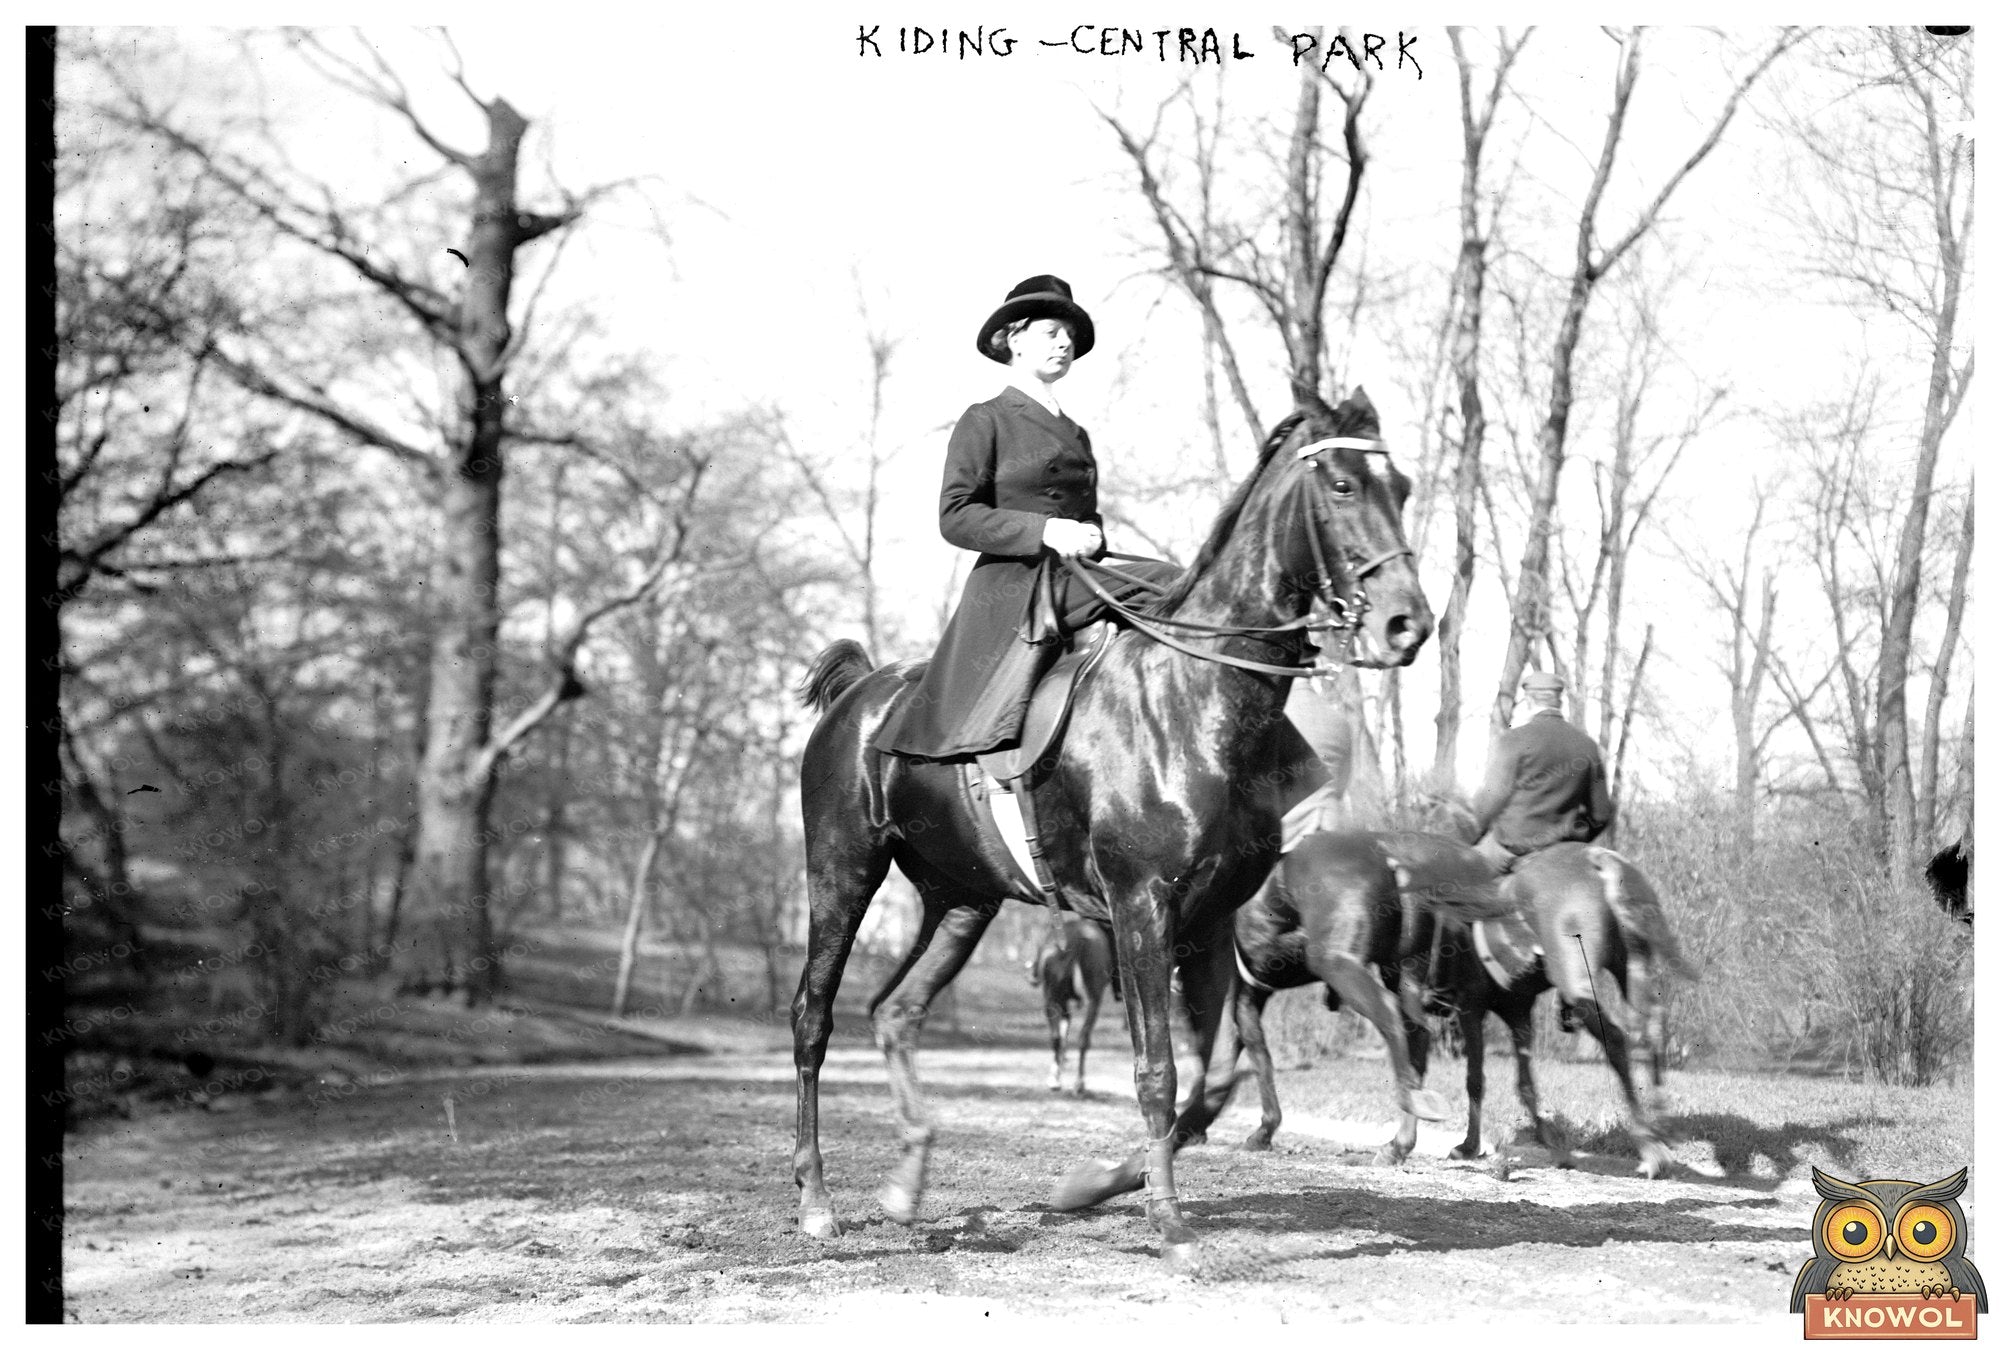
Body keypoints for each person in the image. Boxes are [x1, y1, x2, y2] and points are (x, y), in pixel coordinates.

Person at [875, 275, 1180, 761]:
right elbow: (955, 516)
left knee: (1176, 586)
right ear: (1015, 340)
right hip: (1017, 587)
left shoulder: (1075, 432)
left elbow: (1082, 515)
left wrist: (1091, 531)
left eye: (1070, 335)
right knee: (1167, 583)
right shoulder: (987, 418)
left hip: (1075, 576)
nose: (1065, 342)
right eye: (1051, 332)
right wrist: (1046, 531)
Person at [1466, 670, 1616, 870]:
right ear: (1558, 701)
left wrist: (1471, 835)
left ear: (1529, 700)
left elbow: (1492, 799)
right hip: (1564, 848)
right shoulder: (1587, 746)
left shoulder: (1514, 740)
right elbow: (1602, 814)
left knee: (1463, 878)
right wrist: (1575, 839)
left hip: (1512, 847)